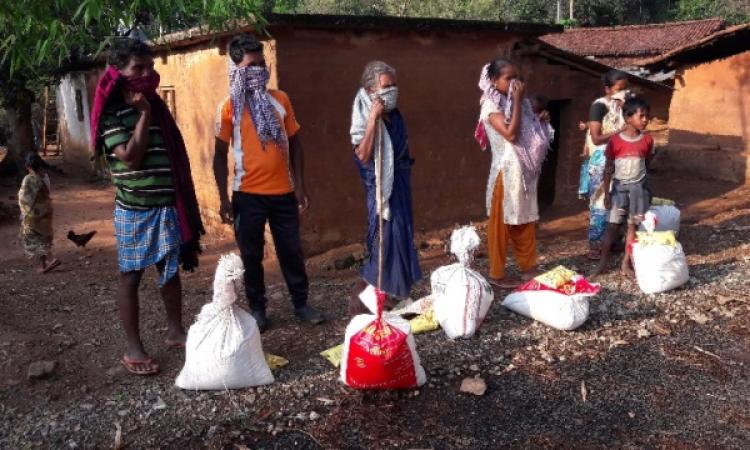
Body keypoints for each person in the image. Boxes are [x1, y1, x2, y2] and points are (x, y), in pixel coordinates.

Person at [90, 38, 205, 375]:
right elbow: (129, 156)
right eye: (137, 68)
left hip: (166, 204)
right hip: (135, 209)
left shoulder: (157, 106)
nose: (146, 74)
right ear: (119, 72)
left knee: (169, 273)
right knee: (130, 276)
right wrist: (142, 114)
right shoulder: (113, 113)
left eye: (150, 67)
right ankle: (134, 348)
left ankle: (175, 330)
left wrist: (149, 110)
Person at [213, 34, 324, 332]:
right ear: (237, 68)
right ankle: (258, 310)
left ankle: (301, 304)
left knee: (291, 251)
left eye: (263, 64)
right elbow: (219, 155)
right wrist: (223, 198)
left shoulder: (281, 100)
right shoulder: (229, 108)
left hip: (284, 194)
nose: (260, 71)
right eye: (252, 65)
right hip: (247, 196)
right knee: (251, 255)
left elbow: (296, 144)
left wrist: (300, 185)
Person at [348, 61, 422, 314]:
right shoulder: (365, 115)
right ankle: (365, 299)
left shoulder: (395, 113)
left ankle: (396, 294)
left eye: (394, 85)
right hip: (381, 187)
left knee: (401, 235)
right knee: (384, 238)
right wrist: (372, 119)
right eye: (386, 86)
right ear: (370, 91)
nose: (392, 90)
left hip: (400, 182)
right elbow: (364, 156)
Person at [476, 59, 552, 288]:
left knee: (524, 219)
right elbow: (510, 134)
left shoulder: (520, 104)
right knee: (501, 223)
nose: (514, 83)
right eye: (508, 78)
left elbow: (525, 131)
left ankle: (528, 266)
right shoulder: (490, 106)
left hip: (524, 174)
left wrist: (539, 120)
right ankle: (497, 273)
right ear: (493, 81)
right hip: (505, 172)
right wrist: (518, 101)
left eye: (516, 77)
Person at [592, 97, 655, 278]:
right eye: (641, 116)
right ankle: (602, 264)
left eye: (646, 116)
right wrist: (606, 193)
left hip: (638, 191)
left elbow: (647, 162)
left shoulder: (647, 140)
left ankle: (625, 263)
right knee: (612, 226)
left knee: (631, 227)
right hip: (619, 190)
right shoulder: (615, 142)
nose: (645, 120)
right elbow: (608, 168)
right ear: (627, 118)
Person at [584, 70, 630, 260]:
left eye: (626, 89)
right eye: (619, 89)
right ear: (608, 89)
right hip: (601, 160)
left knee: (619, 198)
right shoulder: (599, 106)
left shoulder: (624, 107)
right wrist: (620, 131)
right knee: (600, 201)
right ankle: (595, 245)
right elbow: (596, 138)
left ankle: (612, 241)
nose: (623, 93)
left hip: (621, 158)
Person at [18, 152, 60, 273]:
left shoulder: (28, 179)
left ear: (27, 166)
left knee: (33, 237)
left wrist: (24, 212)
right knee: (44, 237)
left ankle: (51, 259)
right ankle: (44, 264)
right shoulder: (45, 176)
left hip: (34, 213)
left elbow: (25, 198)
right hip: (46, 210)